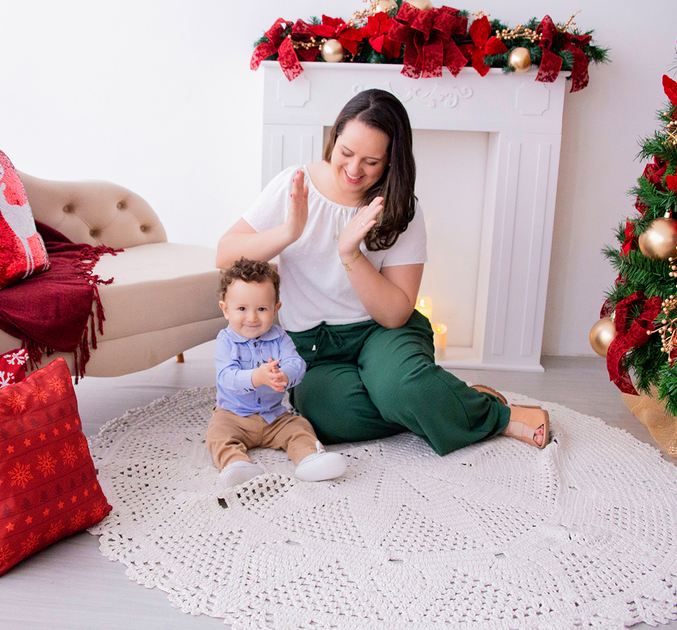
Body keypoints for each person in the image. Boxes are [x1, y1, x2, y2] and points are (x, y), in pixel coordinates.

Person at [216, 88, 550, 455]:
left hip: (380, 334)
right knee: (330, 417)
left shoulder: (401, 209)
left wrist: (350, 254)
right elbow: (225, 254)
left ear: (391, 161)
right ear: (335, 137)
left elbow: (394, 313)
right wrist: (288, 232)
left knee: (402, 388)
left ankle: (498, 415)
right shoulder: (295, 186)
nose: (354, 169)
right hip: (310, 347)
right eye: (346, 153)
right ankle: (449, 400)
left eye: (371, 161)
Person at [208, 258, 347, 489]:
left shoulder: (280, 337)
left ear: (275, 309)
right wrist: (257, 377)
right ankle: (236, 465)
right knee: (217, 435)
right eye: (242, 309)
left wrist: (284, 375)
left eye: (261, 309)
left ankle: (309, 458)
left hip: (273, 416)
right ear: (225, 310)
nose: (252, 318)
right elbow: (226, 378)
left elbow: (297, 364)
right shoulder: (225, 341)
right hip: (233, 415)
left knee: (300, 427)